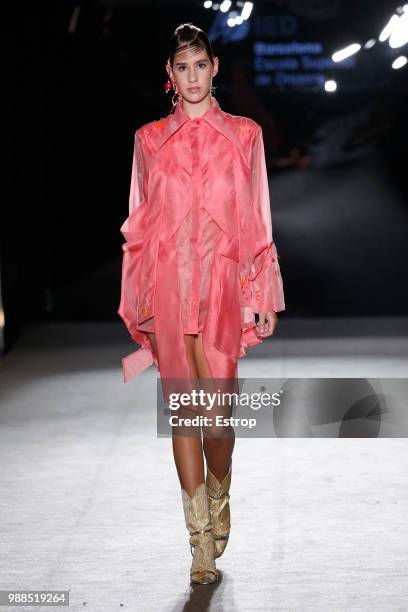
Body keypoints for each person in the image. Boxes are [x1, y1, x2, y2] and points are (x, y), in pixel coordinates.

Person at [118, 22, 285, 585]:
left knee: (217, 419)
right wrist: (137, 296)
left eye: (200, 65)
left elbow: (257, 215)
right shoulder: (147, 141)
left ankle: (220, 494)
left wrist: (263, 292)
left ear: (215, 68)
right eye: (180, 67)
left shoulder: (245, 136)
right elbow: (138, 225)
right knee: (182, 411)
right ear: (170, 75)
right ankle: (199, 544)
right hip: (168, 288)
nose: (191, 76)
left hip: (220, 290)